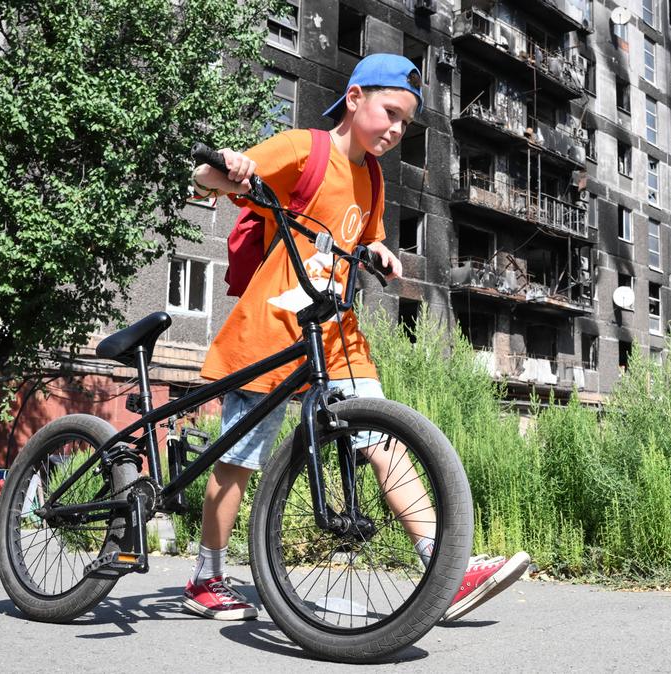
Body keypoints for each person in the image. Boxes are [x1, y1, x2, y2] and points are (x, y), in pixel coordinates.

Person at [185, 53, 530, 623]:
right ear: (354, 99)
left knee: (383, 435)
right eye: (389, 113)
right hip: (272, 327)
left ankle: (445, 568)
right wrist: (233, 167)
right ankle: (207, 575)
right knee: (240, 458)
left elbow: (362, 236)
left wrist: (378, 250)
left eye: (405, 123)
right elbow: (207, 180)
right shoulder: (303, 149)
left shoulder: (371, 177)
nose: (396, 130)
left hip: (335, 332)